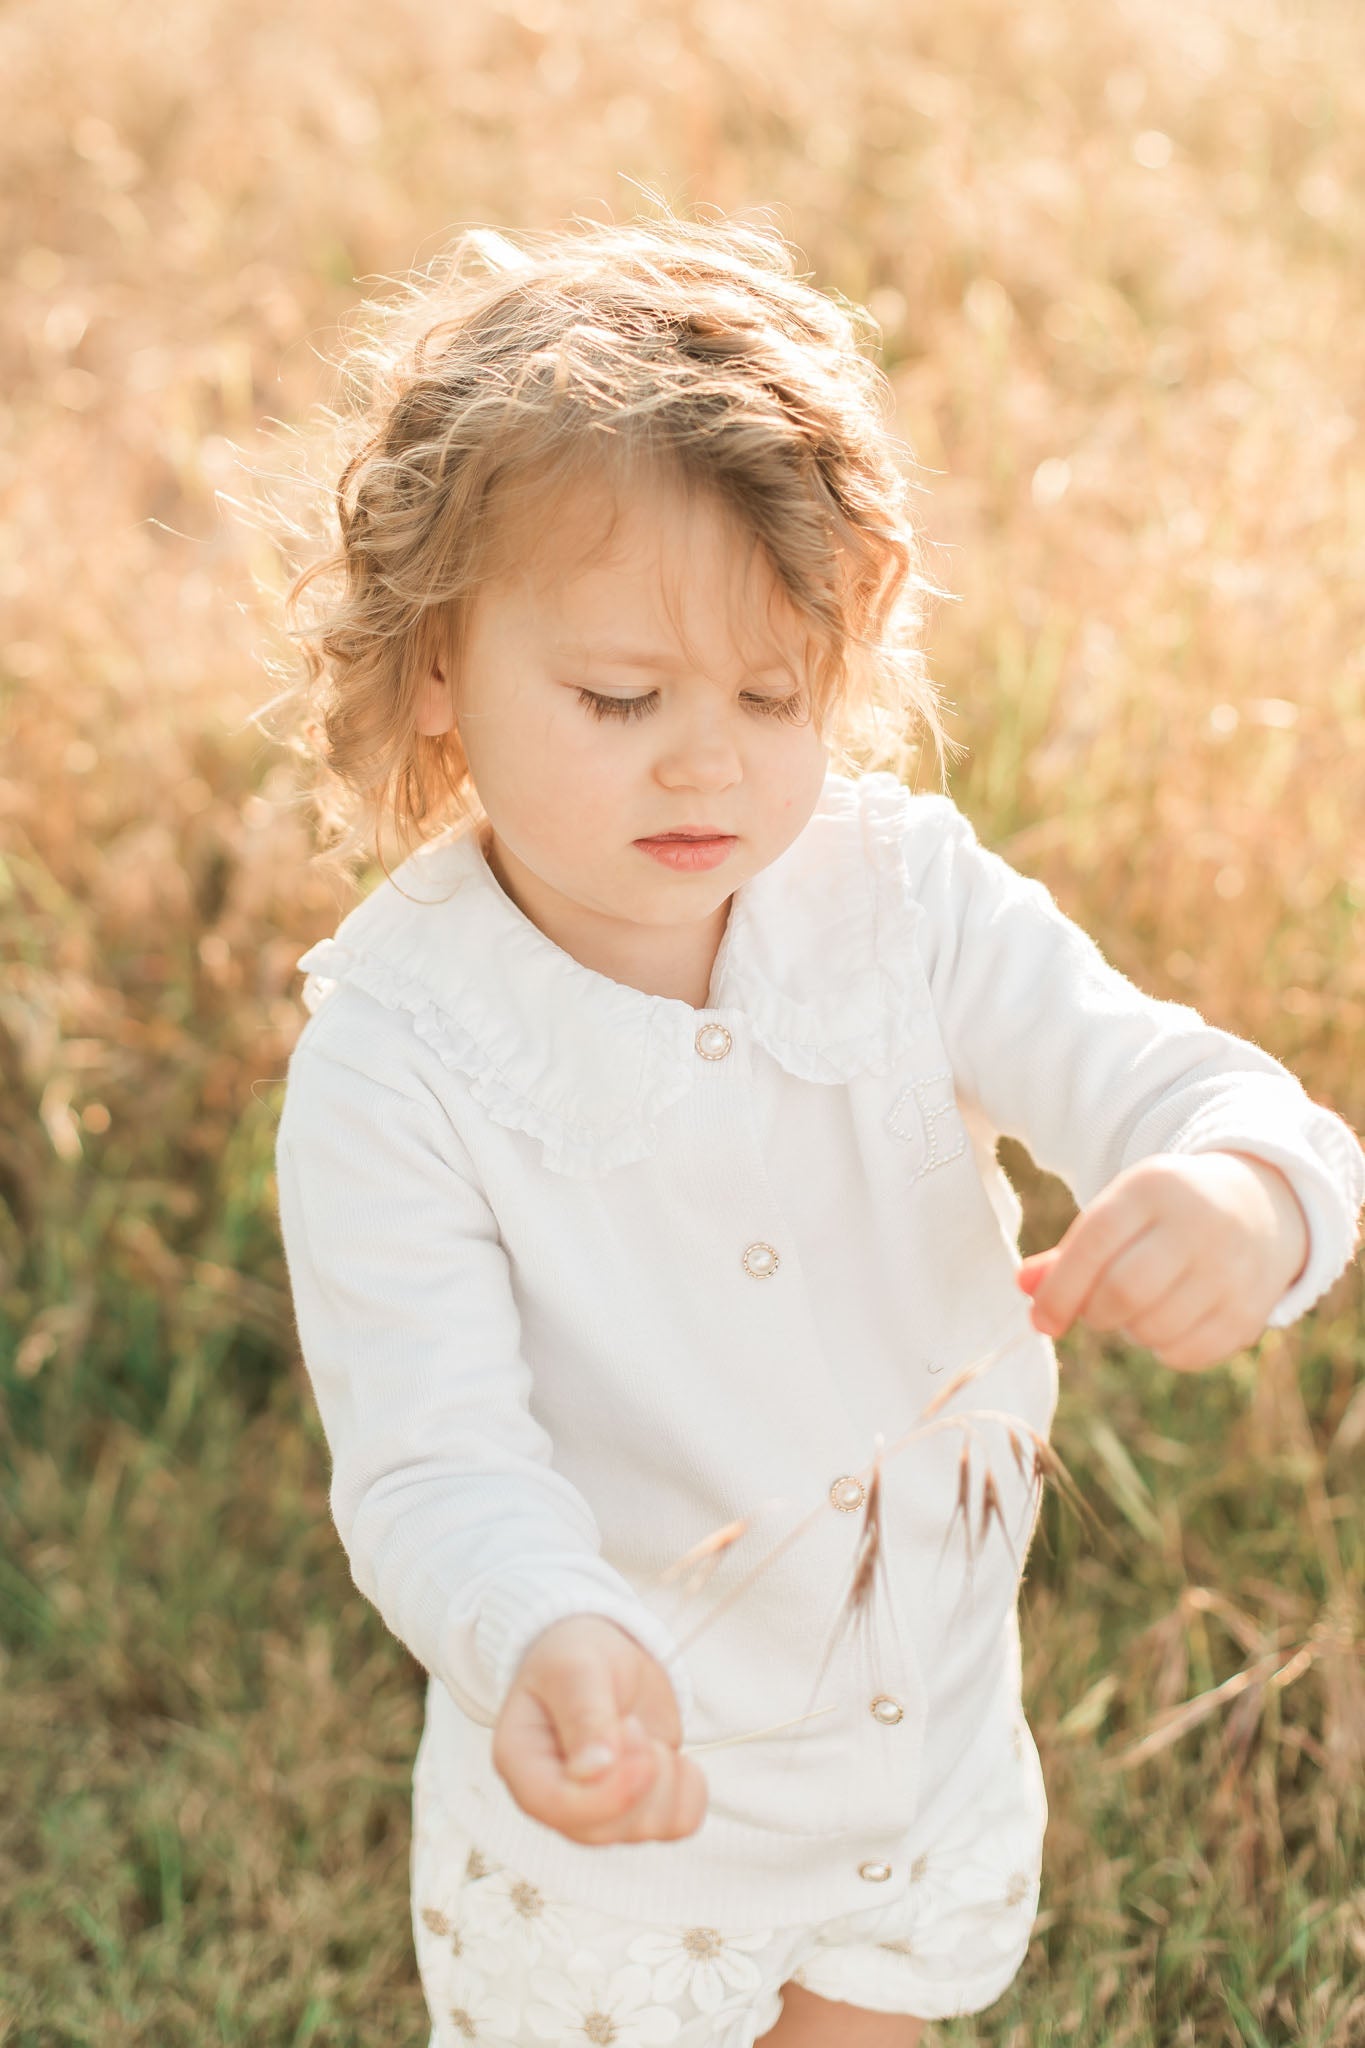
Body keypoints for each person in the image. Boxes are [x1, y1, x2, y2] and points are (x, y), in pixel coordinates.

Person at [269, 210, 1365, 2048]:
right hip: (618, 1797)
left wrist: (1242, 1190)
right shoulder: (396, 1055)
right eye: (622, 700)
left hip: (911, 1757)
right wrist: (542, 1630)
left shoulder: (903, 900)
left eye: (773, 697)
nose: (707, 760)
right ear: (436, 666)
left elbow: (1190, 1086)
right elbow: (430, 1455)